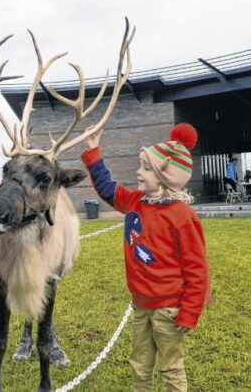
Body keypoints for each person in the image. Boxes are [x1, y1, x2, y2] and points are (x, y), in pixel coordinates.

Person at [81, 123, 210, 392]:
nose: (138, 172)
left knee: (170, 366)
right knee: (139, 364)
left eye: (146, 168)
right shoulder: (135, 201)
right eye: (141, 166)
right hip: (141, 306)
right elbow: (106, 187)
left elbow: (197, 270)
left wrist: (189, 313)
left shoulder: (182, 216)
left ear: (167, 177)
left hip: (169, 311)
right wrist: (93, 150)